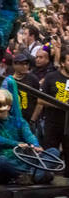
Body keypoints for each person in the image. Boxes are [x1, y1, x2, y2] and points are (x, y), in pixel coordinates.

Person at [0, 88, 58, 185]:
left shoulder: (19, 122)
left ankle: (33, 175)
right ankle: (35, 175)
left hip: (23, 162)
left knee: (54, 151)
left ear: (8, 106)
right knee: (1, 161)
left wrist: (35, 145)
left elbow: (29, 135)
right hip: (1, 167)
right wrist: (18, 144)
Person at [38, 46, 69, 177]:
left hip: (68, 125)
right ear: (62, 63)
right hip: (53, 123)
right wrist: (59, 105)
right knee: (49, 154)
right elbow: (40, 100)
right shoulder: (51, 77)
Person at [12, 53, 40, 122]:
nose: (25, 66)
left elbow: (39, 101)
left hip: (28, 120)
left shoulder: (33, 79)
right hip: (12, 119)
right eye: (21, 64)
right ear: (14, 65)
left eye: (26, 64)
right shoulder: (9, 80)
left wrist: (33, 119)